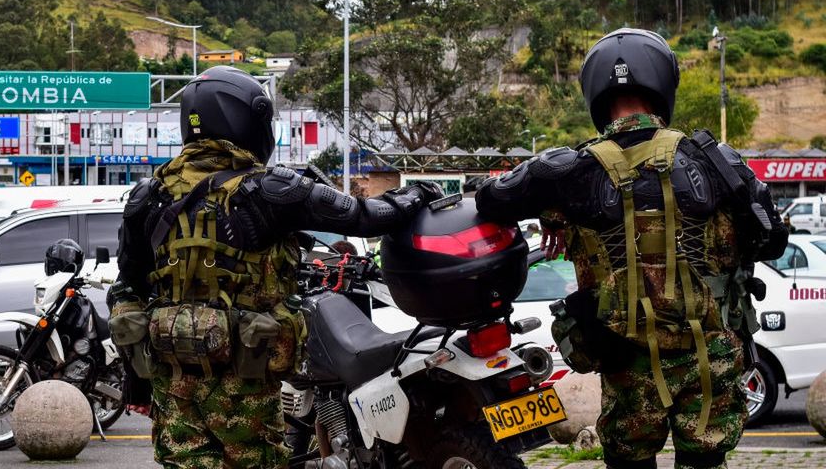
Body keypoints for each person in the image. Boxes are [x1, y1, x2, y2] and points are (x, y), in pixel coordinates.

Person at [474, 28, 787, 469]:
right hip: (709, 360)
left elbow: (491, 199)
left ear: (596, 93)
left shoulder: (570, 172)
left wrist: (554, 210)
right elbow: (773, 240)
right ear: (662, 84)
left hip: (624, 360)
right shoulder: (716, 162)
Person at [108, 66, 440, 469]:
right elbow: (364, 217)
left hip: (172, 377)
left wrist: (138, 379)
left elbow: (129, 285)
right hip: (243, 379)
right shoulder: (267, 189)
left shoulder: (150, 194)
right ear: (247, 119)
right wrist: (418, 193)